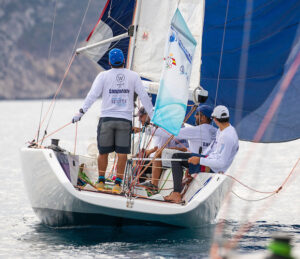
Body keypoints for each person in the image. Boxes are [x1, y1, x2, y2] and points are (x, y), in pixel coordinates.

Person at [72, 48, 153, 194]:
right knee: (122, 153)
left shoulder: (103, 76)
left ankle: (101, 182)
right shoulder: (133, 76)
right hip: (124, 120)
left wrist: (80, 112)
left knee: (103, 152)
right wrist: (153, 117)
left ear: (109, 62)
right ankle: (118, 184)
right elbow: (144, 97)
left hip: (107, 119)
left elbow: (92, 96)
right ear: (123, 61)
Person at [165, 105, 239, 203]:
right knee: (183, 158)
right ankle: (178, 192)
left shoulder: (227, 136)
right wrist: (195, 159)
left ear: (215, 119)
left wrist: (199, 160)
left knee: (176, 158)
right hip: (209, 160)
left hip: (212, 167)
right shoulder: (223, 130)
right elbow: (212, 151)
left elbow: (221, 163)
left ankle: (176, 194)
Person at [134, 107, 188, 194]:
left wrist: (163, 150)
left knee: (158, 153)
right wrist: (149, 151)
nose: (139, 119)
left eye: (141, 116)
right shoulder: (156, 128)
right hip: (159, 158)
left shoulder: (177, 127)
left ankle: (154, 185)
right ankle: (136, 186)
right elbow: (156, 147)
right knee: (136, 160)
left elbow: (184, 149)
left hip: (170, 158)